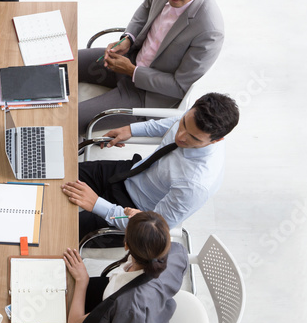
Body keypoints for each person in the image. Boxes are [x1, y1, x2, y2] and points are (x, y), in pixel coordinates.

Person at [78, 0, 224, 137]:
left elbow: (180, 86)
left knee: (69, 118)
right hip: (129, 59)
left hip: (146, 94)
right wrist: (128, 38)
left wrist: (132, 71)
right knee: (60, 65)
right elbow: (147, 6)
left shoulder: (210, 31)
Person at [64, 92, 239, 240]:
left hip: (134, 213)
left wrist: (97, 204)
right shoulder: (194, 122)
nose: (181, 137)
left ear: (217, 140)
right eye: (184, 123)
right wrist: (131, 129)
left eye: (193, 138)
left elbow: (152, 227)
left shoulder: (195, 185)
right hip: (131, 173)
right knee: (63, 174)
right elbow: (170, 123)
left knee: (62, 228)